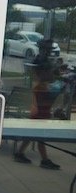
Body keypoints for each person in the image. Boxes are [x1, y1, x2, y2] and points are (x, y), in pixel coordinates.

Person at [14, 39, 62, 170]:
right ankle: (44, 159)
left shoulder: (44, 60)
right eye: (47, 47)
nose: (49, 50)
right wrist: (34, 104)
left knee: (36, 129)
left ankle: (20, 152)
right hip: (41, 96)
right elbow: (36, 81)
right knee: (40, 130)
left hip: (44, 96)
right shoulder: (41, 61)